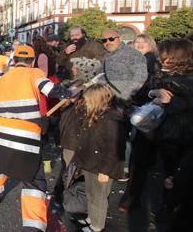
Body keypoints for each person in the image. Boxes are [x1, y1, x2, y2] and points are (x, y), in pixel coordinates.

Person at [0, 45, 68, 232]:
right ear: (32, 61)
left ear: (14, 60)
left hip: (1, 133)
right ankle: (33, 226)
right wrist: (68, 92)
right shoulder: (34, 73)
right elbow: (52, 91)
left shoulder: (3, 78)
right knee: (34, 180)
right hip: (26, 138)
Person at [147, 38, 193, 227]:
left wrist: (167, 102)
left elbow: (186, 106)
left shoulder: (185, 80)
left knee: (177, 179)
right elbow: (151, 88)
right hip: (169, 134)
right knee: (169, 174)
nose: (160, 59)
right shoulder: (166, 74)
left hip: (182, 137)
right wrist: (155, 94)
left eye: (164, 56)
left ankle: (174, 211)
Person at [72, 83, 127, 232]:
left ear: (98, 100)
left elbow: (114, 150)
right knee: (90, 193)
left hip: (102, 167)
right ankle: (92, 217)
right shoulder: (96, 113)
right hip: (91, 162)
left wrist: (106, 171)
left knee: (99, 197)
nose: (86, 103)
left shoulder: (112, 120)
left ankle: (97, 225)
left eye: (89, 100)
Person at [120, 34, 160, 213]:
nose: (138, 46)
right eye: (136, 43)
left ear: (150, 45)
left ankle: (133, 196)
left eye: (143, 44)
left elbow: (147, 88)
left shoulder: (150, 62)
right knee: (135, 150)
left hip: (144, 110)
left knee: (140, 154)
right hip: (135, 107)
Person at [99, 29, 147, 102]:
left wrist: (125, 96)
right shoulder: (106, 55)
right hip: (105, 99)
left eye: (111, 39)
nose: (108, 42)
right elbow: (101, 75)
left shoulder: (132, 54)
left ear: (120, 39)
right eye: (104, 40)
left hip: (121, 102)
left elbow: (140, 77)